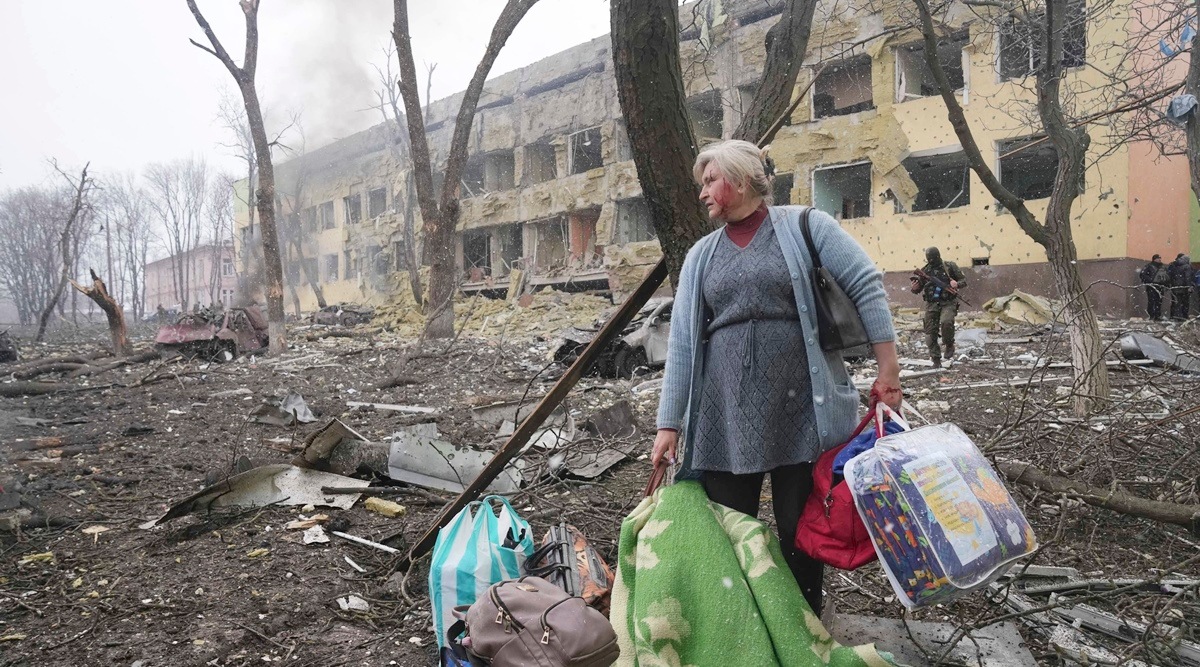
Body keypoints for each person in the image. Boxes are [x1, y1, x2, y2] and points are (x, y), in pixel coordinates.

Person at [650, 140, 902, 616]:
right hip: (725, 414)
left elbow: (866, 284)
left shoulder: (805, 225)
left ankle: (803, 626)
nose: (702, 192)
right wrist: (670, 425)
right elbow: (682, 342)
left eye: (710, 181)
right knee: (728, 531)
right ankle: (740, 628)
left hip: (802, 408)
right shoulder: (702, 255)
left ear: (741, 180)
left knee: (798, 531)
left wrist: (888, 371)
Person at [910, 247, 966, 368]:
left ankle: (949, 344)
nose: (931, 260)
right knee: (930, 333)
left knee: (946, 322)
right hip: (931, 304)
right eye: (929, 258)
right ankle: (936, 359)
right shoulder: (926, 270)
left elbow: (964, 280)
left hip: (948, 302)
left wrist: (957, 284)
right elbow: (917, 288)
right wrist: (914, 287)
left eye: (933, 257)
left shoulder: (949, 266)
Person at [1138, 254, 1169, 321]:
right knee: (1151, 301)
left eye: (1160, 258)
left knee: (1159, 302)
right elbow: (1142, 274)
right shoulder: (1149, 266)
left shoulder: (1162, 267)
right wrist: (1151, 280)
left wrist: (1166, 284)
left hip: (1160, 287)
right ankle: (1151, 316)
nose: (1159, 259)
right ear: (1154, 259)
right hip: (1151, 287)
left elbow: (1166, 277)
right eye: (1158, 258)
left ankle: (1157, 316)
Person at [1168, 253, 1194, 321]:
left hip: (1175, 287)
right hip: (1184, 288)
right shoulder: (1187, 266)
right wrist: (1189, 286)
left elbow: (1170, 276)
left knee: (1176, 302)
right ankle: (1183, 317)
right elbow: (1188, 277)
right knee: (1185, 303)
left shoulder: (1173, 265)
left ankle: (1174, 316)